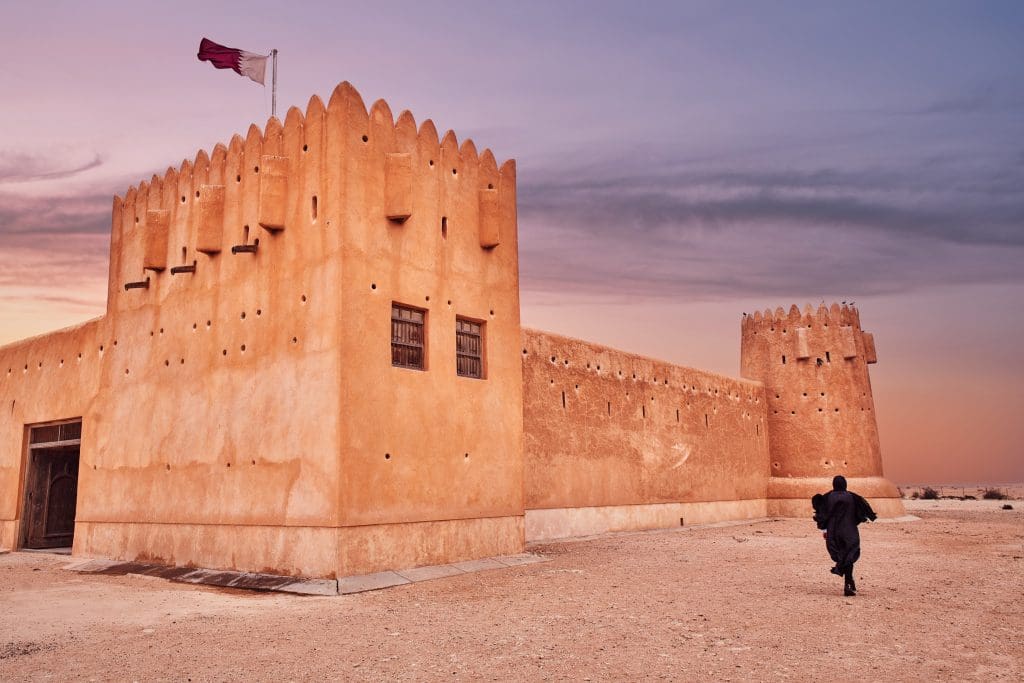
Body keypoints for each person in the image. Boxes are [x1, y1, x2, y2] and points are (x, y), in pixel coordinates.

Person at [811, 475, 877, 596]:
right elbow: (861, 512)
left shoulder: (827, 497)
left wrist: (825, 530)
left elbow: (823, 515)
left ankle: (849, 581)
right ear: (845, 484)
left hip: (833, 532)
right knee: (849, 555)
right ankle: (848, 582)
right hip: (849, 531)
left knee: (842, 556)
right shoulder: (852, 496)